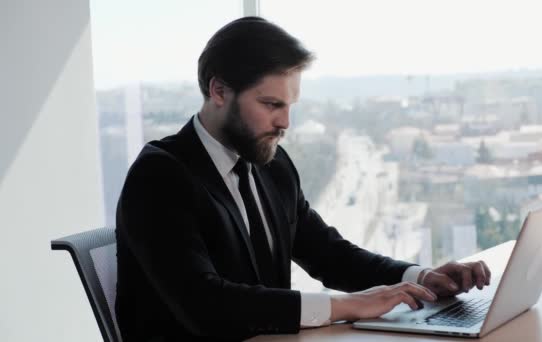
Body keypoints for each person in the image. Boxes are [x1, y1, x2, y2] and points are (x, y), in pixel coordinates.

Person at [115, 16, 491, 341]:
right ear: (218, 91)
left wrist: (421, 278)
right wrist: (347, 305)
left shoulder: (272, 165)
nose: (285, 123)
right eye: (271, 104)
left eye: (290, 105)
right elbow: (204, 305)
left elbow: (328, 254)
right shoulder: (159, 176)